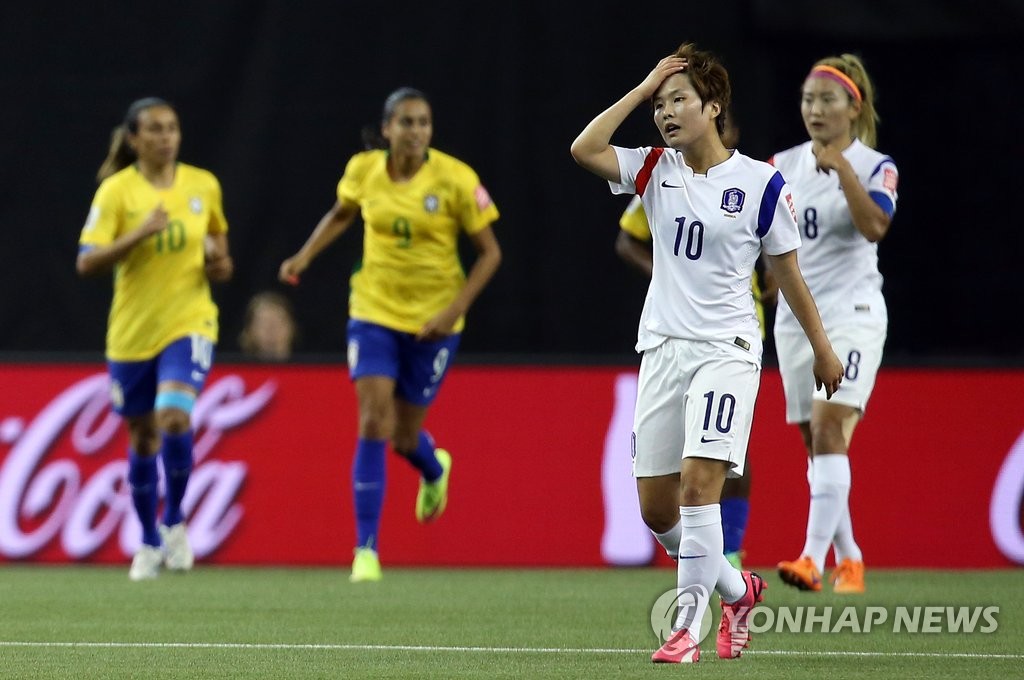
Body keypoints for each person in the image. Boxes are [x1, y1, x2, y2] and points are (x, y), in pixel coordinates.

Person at [571, 43, 843, 663]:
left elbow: (789, 276)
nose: (666, 114)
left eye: (679, 101)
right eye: (660, 106)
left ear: (713, 107)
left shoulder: (759, 183)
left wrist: (822, 349)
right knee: (655, 509)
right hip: (663, 349)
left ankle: (686, 628)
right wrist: (641, 89)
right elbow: (583, 149)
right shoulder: (653, 170)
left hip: (729, 349)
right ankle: (737, 590)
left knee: (700, 488)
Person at [279, 87, 502, 583]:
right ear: (387, 129)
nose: (416, 131)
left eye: (423, 122)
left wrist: (453, 310)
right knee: (372, 420)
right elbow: (341, 214)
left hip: (433, 322)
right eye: (406, 122)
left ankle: (434, 469)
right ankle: (366, 550)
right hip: (373, 310)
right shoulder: (364, 171)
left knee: (404, 435)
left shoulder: (455, 179)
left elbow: (490, 253)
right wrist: (305, 256)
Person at [76, 97, 234, 581]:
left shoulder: (202, 184)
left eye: (173, 128)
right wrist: (138, 234)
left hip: (190, 321)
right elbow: (86, 261)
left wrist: (218, 265)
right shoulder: (116, 192)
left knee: (173, 414)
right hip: (132, 332)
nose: (166, 137)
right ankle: (147, 540)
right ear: (134, 139)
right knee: (142, 437)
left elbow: (222, 258)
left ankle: (175, 520)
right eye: (156, 129)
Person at [772, 54, 898, 595]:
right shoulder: (780, 164)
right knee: (817, 443)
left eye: (827, 99)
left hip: (853, 315)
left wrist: (842, 168)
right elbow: (766, 240)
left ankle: (810, 558)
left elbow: (874, 227)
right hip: (795, 320)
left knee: (827, 427)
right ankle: (851, 558)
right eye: (808, 99)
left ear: (854, 106)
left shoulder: (875, 165)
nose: (815, 109)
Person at [616, 192, 775, 570]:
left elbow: (778, 241)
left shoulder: (754, 182)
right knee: (659, 497)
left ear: (726, 128)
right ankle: (725, 577)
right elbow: (627, 239)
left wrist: (775, 275)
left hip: (731, 334)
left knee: (724, 450)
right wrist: (669, 276)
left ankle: (730, 549)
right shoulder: (661, 179)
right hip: (672, 335)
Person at [239, 290, 298, 361]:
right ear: (250, 330)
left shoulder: (309, 369)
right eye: (263, 323)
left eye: (278, 322)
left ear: (292, 327)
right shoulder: (233, 369)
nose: (271, 330)